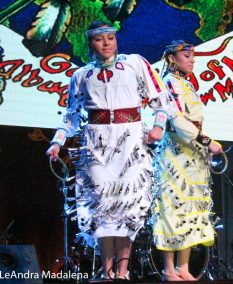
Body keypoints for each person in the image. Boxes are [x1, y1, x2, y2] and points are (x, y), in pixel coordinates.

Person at [46, 21, 172, 280]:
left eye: (110, 38)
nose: (106, 43)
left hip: (130, 140)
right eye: (99, 39)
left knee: (128, 205)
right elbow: (70, 116)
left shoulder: (135, 63)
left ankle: (123, 272)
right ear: (90, 43)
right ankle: (107, 270)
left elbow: (162, 101)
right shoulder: (81, 76)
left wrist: (158, 127)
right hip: (97, 141)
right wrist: (57, 142)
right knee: (102, 206)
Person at [151, 40, 222, 281]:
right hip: (175, 151)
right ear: (172, 58)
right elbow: (177, 119)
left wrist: (202, 142)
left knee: (192, 207)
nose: (192, 60)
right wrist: (206, 140)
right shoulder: (168, 83)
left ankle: (184, 267)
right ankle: (169, 268)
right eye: (187, 56)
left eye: (193, 56)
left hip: (194, 152)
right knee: (173, 206)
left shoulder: (186, 84)